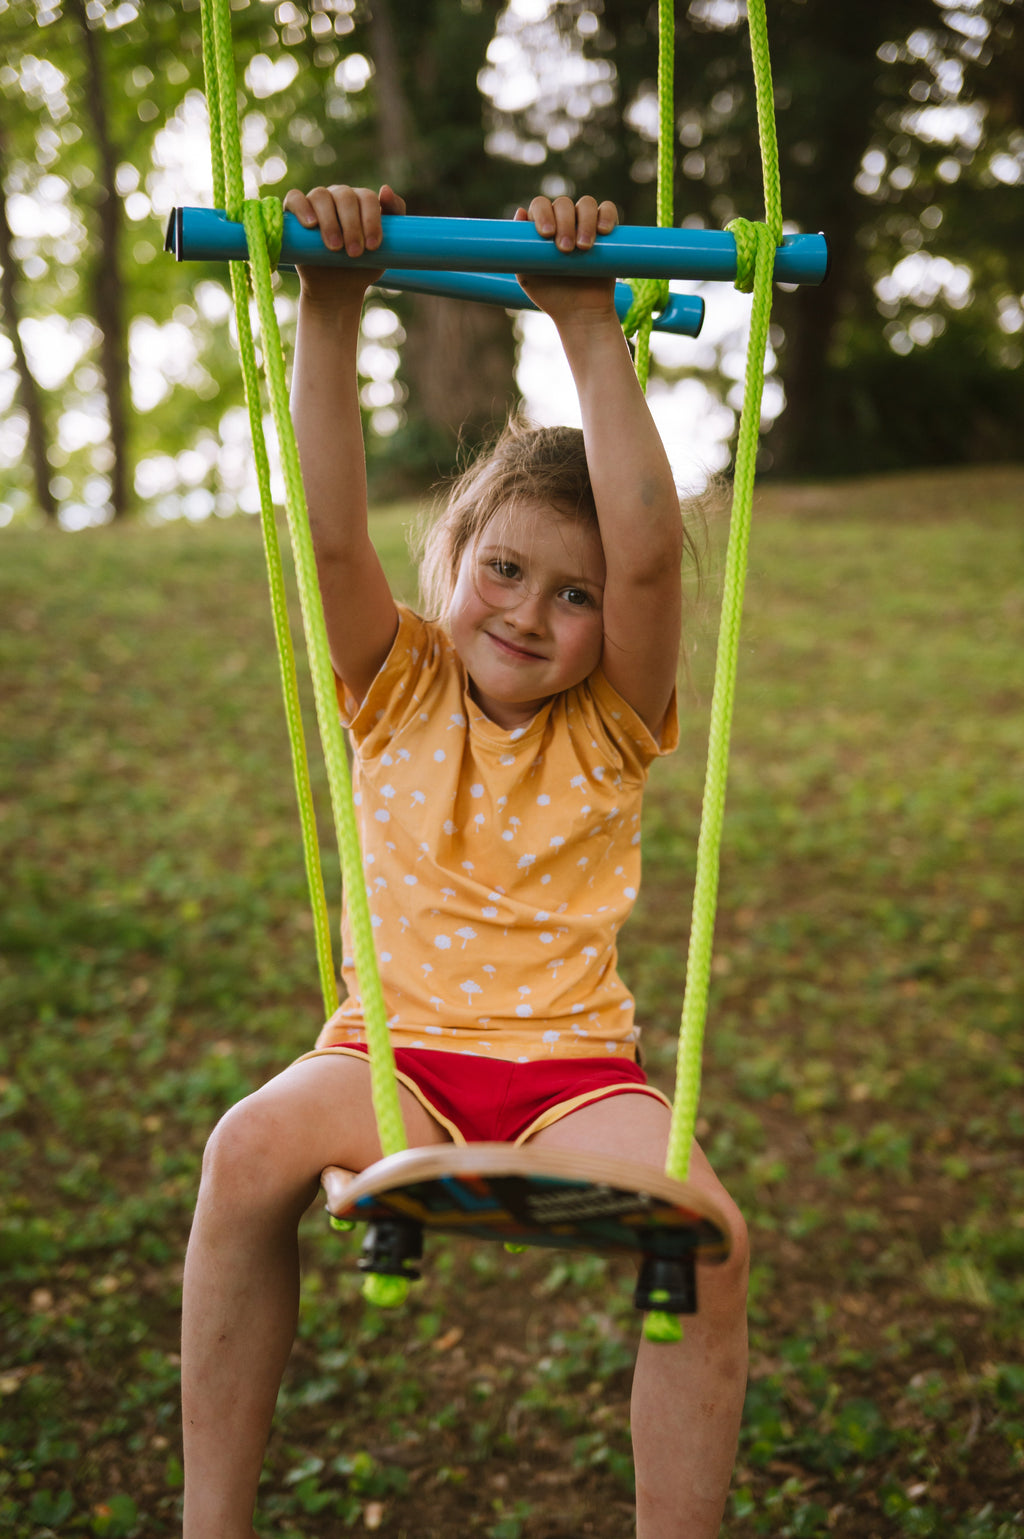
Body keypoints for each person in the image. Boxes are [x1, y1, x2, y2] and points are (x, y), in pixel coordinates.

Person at [180, 184, 749, 1539]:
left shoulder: (614, 722)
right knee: (245, 1148)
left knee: (708, 1237)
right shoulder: (395, 681)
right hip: (390, 1060)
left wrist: (586, 327)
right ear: (454, 557)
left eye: (575, 595)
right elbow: (326, 531)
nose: (533, 614)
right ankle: (213, 1520)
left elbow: (659, 566)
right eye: (505, 568)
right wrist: (329, 307)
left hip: (569, 1074)